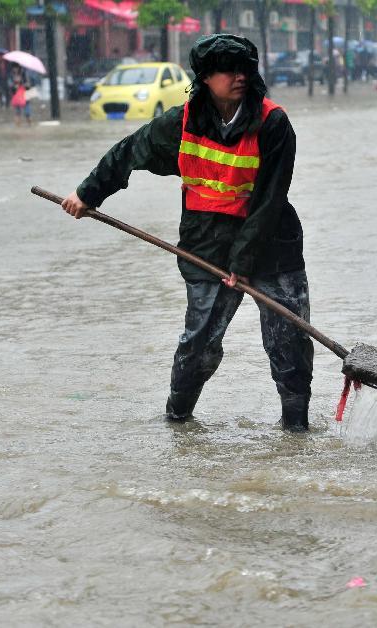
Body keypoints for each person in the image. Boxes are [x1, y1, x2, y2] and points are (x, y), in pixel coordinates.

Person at [61, 34, 314, 432]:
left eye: (245, 68)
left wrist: (243, 263)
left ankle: (296, 431)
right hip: (206, 247)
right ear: (206, 77)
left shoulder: (273, 123)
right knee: (198, 344)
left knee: (289, 343)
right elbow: (129, 151)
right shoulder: (181, 121)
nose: (239, 76)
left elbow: (268, 200)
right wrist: (86, 194)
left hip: (271, 247)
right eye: (229, 70)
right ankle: (177, 423)